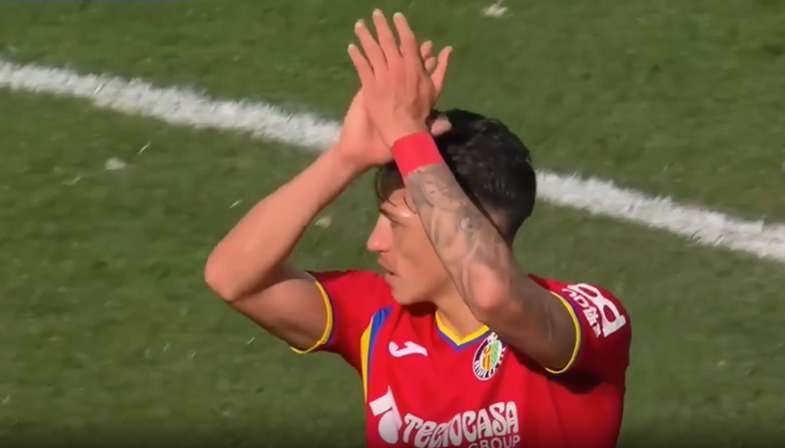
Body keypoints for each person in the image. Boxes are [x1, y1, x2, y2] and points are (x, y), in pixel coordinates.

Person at [205, 10, 631, 448]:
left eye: (395, 223)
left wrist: (407, 134)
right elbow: (233, 277)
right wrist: (346, 157)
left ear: (474, 224)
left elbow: (492, 296)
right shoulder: (380, 319)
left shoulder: (585, 316)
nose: (375, 242)